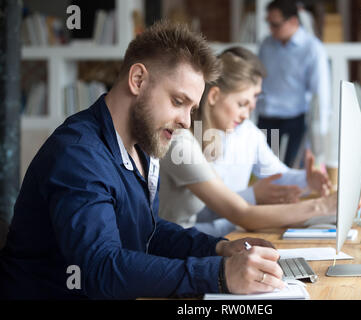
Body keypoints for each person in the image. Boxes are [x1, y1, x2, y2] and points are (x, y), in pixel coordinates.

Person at [0, 22, 286, 300]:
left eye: (192, 108)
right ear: (138, 80)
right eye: (178, 101)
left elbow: (149, 233)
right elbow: (100, 269)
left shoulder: (142, 147)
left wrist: (220, 250)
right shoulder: (78, 155)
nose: (187, 121)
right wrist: (218, 274)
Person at [159, 46, 335, 237]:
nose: (247, 114)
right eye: (242, 104)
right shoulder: (181, 142)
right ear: (214, 96)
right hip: (181, 244)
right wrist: (320, 206)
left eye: (252, 103)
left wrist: (306, 181)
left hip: (216, 236)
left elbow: (275, 176)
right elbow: (229, 212)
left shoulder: (244, 132)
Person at [256, 0, 331, 167]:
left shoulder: (312, 48)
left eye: (275, 24)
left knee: (293, 170)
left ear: (293, 22)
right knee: (266, 170)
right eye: (269, 23)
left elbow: (321, 92)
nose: (271, 29)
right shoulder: (266, 45)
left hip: (295, 120)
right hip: (266, 118)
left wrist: (319, 134)